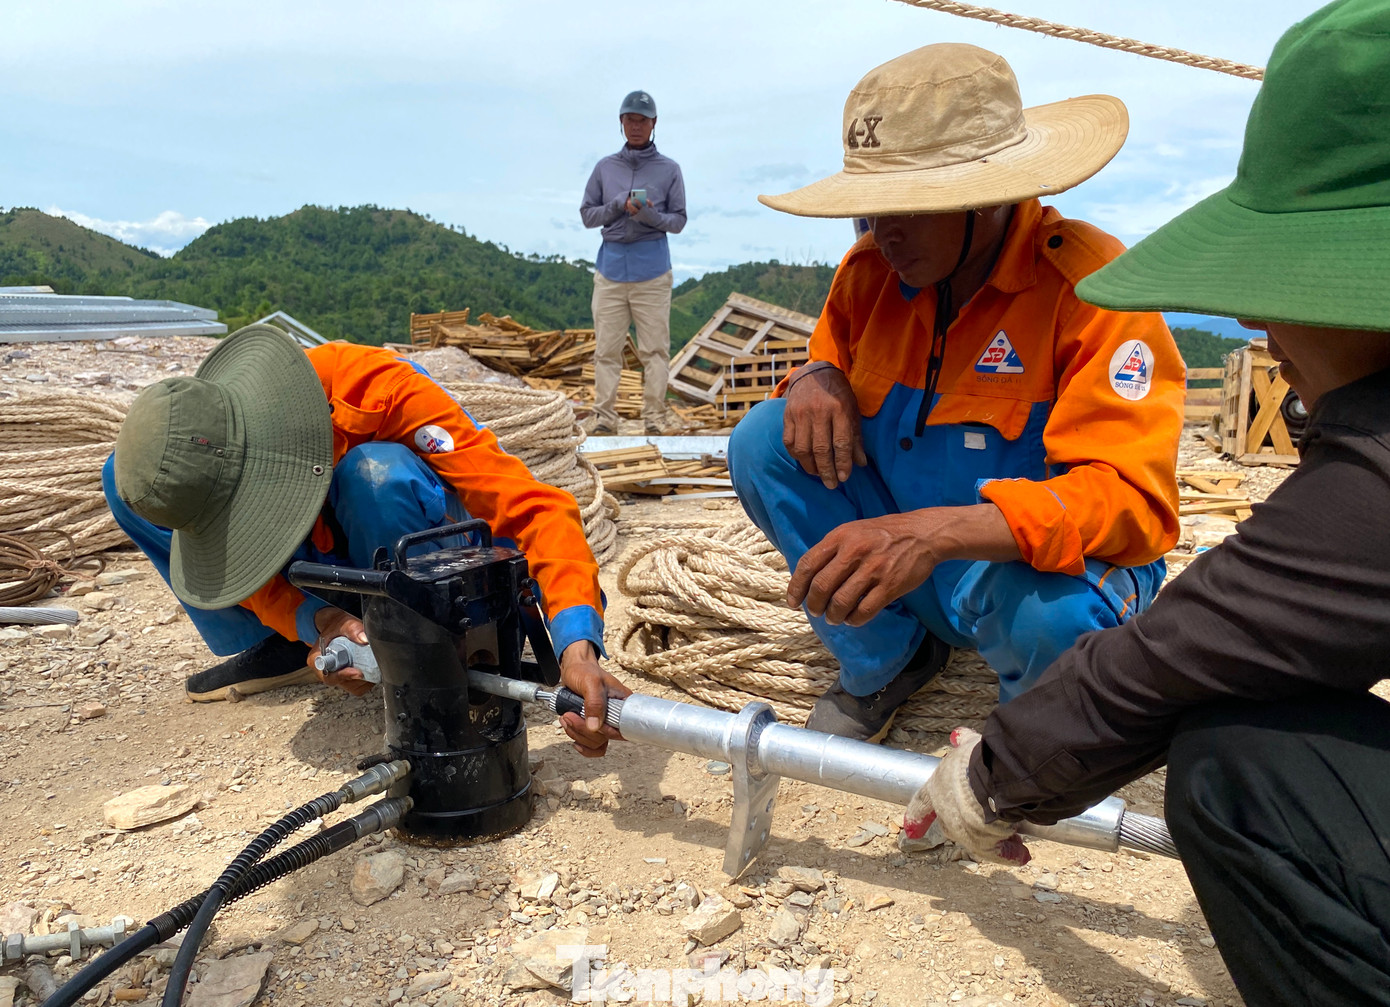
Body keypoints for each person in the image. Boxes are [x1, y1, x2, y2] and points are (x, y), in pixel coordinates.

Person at [904, 2, 1390, 1002]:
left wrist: (996, 770)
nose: (1252, 311)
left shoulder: (1075, 285)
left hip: (1043, 578)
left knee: (1242, 762)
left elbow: (1191, 610)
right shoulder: (864, 287)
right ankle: (881, 668)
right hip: (954, 589)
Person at [727, 43, 1184, 741]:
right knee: (765, 437)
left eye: (907, 205)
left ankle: (1034, 736)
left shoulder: (1092, 293)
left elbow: (1130, 502)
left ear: (992, 194)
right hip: (925, 569)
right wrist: (817, 374)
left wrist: (930, 534)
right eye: (869, 209)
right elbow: (830, 347)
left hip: (1025, 579)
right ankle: (890, 658)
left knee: (1050, 614)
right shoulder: (870, 275)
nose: (883, 231)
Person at [102, 324, 626, 757]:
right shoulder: (201, 452)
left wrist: (576, 649)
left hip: (401, 541)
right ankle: (281, 643)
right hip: (318, 564)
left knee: (376, 473)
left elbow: (532, 508)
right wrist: (316, 623)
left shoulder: (373, 388)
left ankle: (429, 638)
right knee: (123, 482)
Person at [580, 89, 687, 436]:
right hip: (610, 269)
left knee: (654, 350)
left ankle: (653, 419)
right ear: (621, 123)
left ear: (654, 123)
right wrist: (615, 206)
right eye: (630, 120)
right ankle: (603, 419)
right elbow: (587, 215)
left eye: (642, 120)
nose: (636, 126)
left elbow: (679, 221)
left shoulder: (670, 169)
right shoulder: (604, 168)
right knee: (606, 350)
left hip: (652, 271)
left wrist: (650, 215)